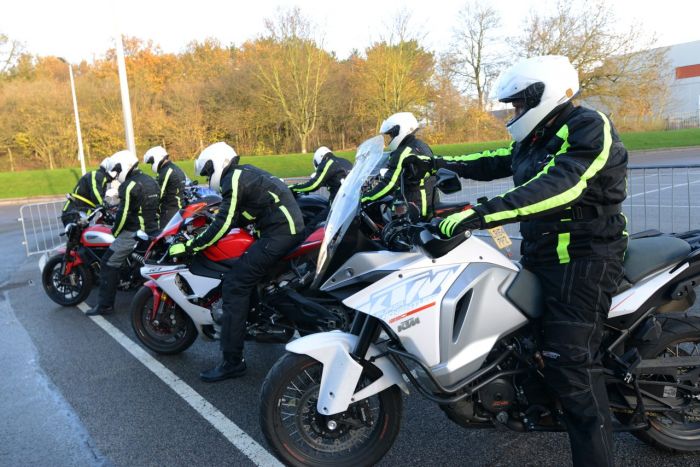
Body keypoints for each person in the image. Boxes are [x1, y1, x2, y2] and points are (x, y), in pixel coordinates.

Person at [434, 55, 627, 467]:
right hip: (544, 254)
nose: (515, 113)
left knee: (572, 364)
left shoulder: (588, 127)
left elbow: (561, 185)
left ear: (547, 94)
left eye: (520, 104)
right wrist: (437, 163)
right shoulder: (535, 136)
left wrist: (480, 213)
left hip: (585, 257)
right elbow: (496, 161)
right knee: (525, 341)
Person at [169, 142, 304, 382]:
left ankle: (232, 362)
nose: (209, 177)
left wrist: (192, 245)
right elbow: (239, 214)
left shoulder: (233, 179)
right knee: (251, 276)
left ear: (219, 162)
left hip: (280, 233)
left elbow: (224, 221)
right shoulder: (243, 173)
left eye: (208, 171)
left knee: (235, 283)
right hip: (285, 230)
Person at [86, 150, 160, 316]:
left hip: (133, 232)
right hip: (153, 229)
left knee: (108, 262)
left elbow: (123, 213)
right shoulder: (150, 180)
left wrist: (115, 231)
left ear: (125, 166)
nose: (117, 175)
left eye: (118, 171)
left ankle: (104, 306)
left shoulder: (129, 185)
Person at [360, 112, 436, 220]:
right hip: (428, 203)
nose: (390, 138)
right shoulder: (420, 145)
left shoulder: (403, 152)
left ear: (400, 130)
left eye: (391, 134)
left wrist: (365, 198)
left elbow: (389, 184)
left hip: (415, 208)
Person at [143, 145, 187, 229]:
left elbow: (158, 194)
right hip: (178, 208)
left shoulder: (166, 171)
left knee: (162, 238)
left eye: (151, 162)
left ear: (156, 158)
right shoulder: (175, 167)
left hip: (169, 211)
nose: (151, 165)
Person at [61, 157, 113, 226]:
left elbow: (97, 197)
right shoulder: (97, 175)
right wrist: (104, 210)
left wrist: (107, 206)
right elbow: (96, 195)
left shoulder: (101, 178)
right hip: (75, 212)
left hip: (80, 213)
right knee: (81, 234)